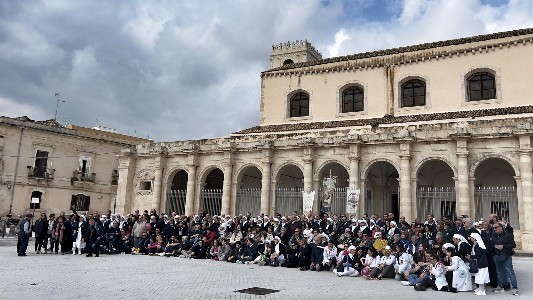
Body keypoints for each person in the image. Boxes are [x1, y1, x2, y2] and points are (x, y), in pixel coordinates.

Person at [492, 222, 518, 295]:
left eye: (496, 227)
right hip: (497, 255)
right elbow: (492, 243)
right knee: (499, 271)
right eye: (494, 228)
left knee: (510, 272)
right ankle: (500, 286)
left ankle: (514, 288)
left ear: (501, 227)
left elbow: (513, 245)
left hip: (506, 255)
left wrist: (503, 246)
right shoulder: (494, 235)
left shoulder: (508, 235)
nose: (494, 229)